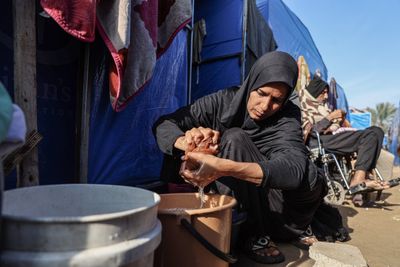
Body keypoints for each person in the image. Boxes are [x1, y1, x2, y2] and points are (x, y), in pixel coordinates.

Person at [153, 51, 326, 264]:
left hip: (272, 203)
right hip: (232, 195)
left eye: (276, 100)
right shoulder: (224, 100)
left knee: (308, 174)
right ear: (251, 82)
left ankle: (256, 234)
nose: (265, 106)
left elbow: (293, 169)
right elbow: (164, 124)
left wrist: (222, 166)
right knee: (230, 137)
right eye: (261, 93)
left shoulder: (287, 117)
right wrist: (186, 142)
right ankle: (239, 227)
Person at [299, 76, 390, 206]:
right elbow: (311, 132)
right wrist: (330, 117)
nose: (325, 96)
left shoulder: (322, 107)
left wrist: (337, 121)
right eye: (323, 93)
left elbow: (334, 125)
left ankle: (362, 175)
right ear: (314, 91)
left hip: (333, 138)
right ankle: (358, 180)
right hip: (320, 141)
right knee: (369, 135)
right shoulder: (304, 107)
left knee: (377, 131)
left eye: (326, 93)